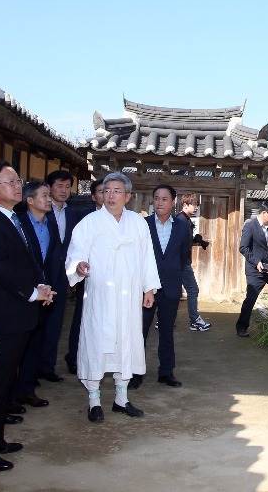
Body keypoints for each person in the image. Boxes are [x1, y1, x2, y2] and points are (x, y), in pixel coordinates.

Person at [0, 160, 54, 471]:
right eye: (9, 182)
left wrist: (39, 286)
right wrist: (33, 293)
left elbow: (23, 263)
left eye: (18, 180)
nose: (17, 186)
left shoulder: (11, 217)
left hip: (17, 312)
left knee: (4, 382)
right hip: (2, 316)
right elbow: (1, 269)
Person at [65, 173, 160, 422]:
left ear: (127, 196)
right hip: (100, 296)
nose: (111, 195)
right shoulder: (89, 222)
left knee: (126, 342)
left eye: (117, 191)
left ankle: (121, 397)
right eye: (107, 190)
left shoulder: (138, 224)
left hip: (128, 297)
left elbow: (147, 257)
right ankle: (94, 400)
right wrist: (78, 267)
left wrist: (148, 289)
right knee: (96, 343)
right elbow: (75, 253)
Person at [11, 181, 64, 408]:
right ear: (29, 200)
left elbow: (52, 259)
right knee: (16, 348)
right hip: (23, 293)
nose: (49, 199)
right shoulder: (18, 224)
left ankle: (27, 390)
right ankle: (10, 396)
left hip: (45, 293)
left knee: (36, 343)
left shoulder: (50, 224)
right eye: (44, 195)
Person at [136, 184, 192, 388]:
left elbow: (184, 255)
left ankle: (166, 372)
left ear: (173, 202)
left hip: (170, 286)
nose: (159, 202)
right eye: (156, 198)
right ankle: (136, 372)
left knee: (167, 331)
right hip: (145, 288)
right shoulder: (143, 224)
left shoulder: (182, 227)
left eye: (164, 199)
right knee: (140, 330)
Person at [65, 177, 104, 374]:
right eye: (101, 192)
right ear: (93, 196)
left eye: (110, 191)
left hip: (112, 280)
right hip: (87, 276)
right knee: (81, 317)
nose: (106, 195)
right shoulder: (83, 217)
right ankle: (74, 357)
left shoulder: (125, 219)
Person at [236, 200, 268, 337]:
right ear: (263, 213)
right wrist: (256, 261)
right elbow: (243, 248)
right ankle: (241, 327)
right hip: (255, 269)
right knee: (251, 298)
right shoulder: (250, 226)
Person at [45, 169, 78, 380]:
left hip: (61, 275)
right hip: (41, 273)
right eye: (59, 186)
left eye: (67, 186)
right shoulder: (41, 210)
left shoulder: (72, 214)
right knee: (38, 324)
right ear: (49, 187)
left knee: (56, 322)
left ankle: (47, 367)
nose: (64, 190)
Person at [176, 193, 211, 331]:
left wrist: (196, 240)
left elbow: (184, 241)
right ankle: (195, 320)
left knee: (173, 291)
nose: (196, 208)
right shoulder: (181, 220)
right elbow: (177, 243)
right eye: (194, 204)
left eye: (197, 205)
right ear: (185, 205)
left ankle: (163, 319)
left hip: (180, 262)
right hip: (181, 263)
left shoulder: (184, 219)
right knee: (192, 289)